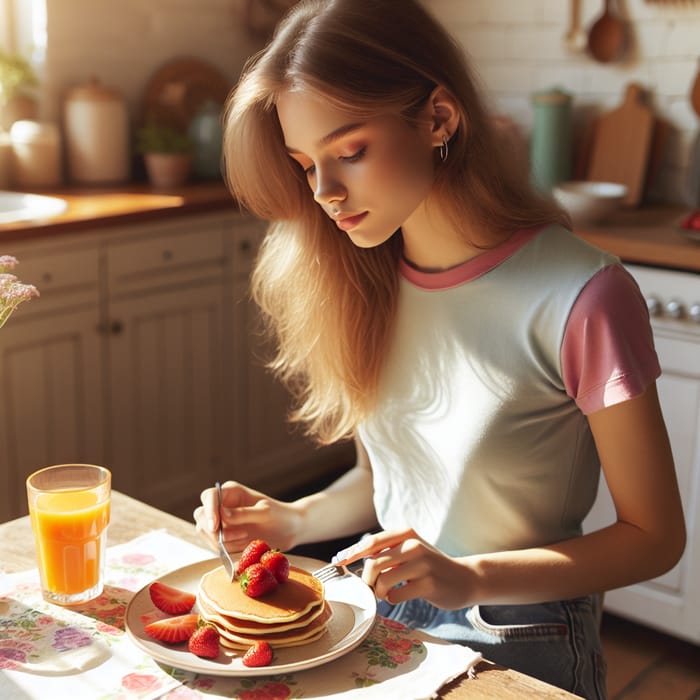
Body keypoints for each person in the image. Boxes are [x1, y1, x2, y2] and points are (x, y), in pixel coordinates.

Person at [193, 1, 686, 696]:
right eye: (306, 165)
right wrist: (290, 518)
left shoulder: (583, 295)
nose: (326, 193)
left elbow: (654, 536)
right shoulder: (363, 281)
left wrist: (469, 575)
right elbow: (395, 479)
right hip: (383, 613)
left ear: (438, 118)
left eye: (350, 151)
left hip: (521, 633)